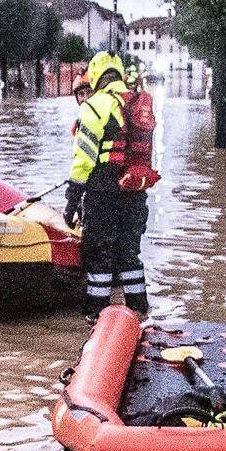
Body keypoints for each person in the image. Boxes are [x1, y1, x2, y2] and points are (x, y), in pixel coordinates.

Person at [65, 51, 156, 321]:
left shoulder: (94, 106)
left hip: (103, 188)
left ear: (95, 76)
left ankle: (97, 314)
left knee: (100, 251)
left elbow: (83, 158)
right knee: (130, 252)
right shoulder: (140, 103)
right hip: (135, 189)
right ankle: (139, 310)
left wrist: (73, 198)